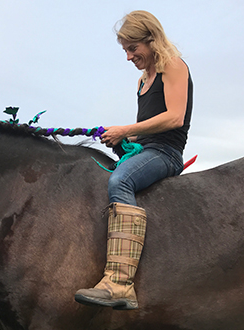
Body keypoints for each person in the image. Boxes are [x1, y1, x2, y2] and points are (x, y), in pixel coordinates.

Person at [74, 10, 193, 310]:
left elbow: (175, 117)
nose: (128, 56)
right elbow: (148, 127)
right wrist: (122, 139)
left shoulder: (173, 66)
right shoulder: (143, 80)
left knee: (121, 180)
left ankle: (119, 283)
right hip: (146, 150)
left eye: (132, 48)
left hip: (166, 153)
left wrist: (126, 129)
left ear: (152, 40)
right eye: (125, 49)